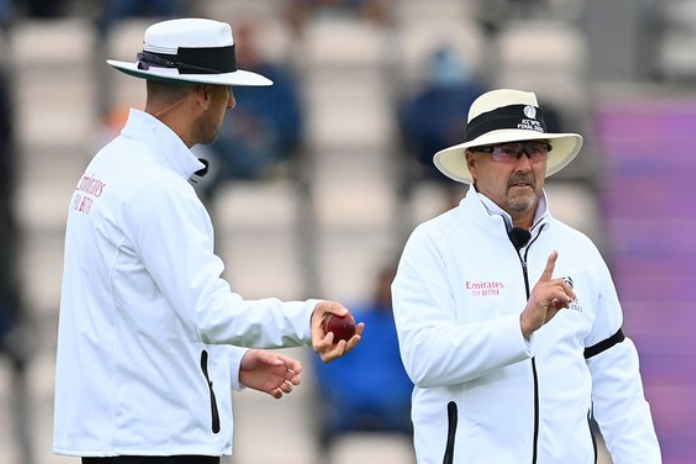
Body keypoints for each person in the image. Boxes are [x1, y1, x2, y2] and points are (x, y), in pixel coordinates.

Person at [53, 18, 364, 464]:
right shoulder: (156, 186)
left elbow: (140, 314)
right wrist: (306, 317)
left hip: (128, 433)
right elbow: (209, 313)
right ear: (201, 94)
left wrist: (230, 365)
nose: (232, 103)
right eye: (225, 90)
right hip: (156, 442)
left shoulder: (110, 165)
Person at [391, 89, 661, 463]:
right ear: (472, 163)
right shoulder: (434, 245)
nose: (524, 165)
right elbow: (424, 359)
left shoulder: (580, 251)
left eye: (534, 151)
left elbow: (616, 379)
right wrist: (519, 327)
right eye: (507, 151)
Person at [313, 265, 412, 452]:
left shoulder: (408, 328)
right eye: (383, 283)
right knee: (323, 432)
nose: (385, 289)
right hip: (350, 405)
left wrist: (393, 393)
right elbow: (330, 362)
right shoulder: (352, 322)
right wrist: (349, 390)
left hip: (394, 407)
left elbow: (415, 370)